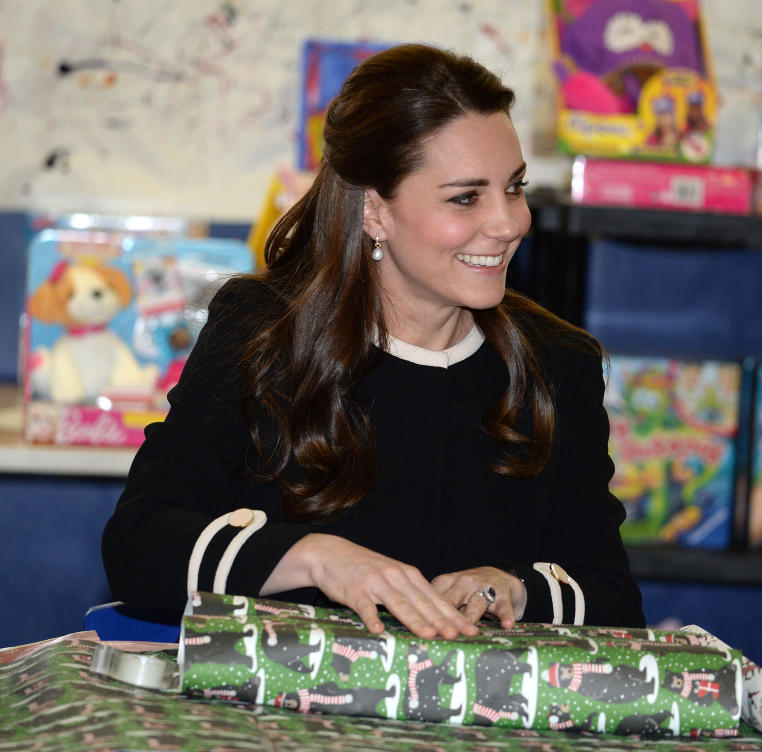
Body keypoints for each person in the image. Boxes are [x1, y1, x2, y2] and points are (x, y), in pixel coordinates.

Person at [102, 43, 645, 639]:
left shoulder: (558, 365)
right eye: (466, 197)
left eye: (513, 188)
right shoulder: (261, 332)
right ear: (374, 211)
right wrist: (314, 557)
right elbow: (139, 544)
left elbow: (614, 599)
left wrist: (514, 586)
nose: (509, 222)